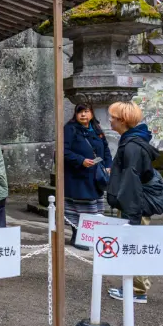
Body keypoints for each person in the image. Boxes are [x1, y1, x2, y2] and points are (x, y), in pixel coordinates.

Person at [106, 101, 159, 304]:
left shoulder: (131, 146)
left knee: (134, 243)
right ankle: (135, 287)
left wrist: (130, 211)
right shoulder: (133, 141)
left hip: (134, 204)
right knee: (135, 243)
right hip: (135, 202)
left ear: (122, 120)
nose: (109, 120)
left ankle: (136, 290)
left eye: (112, 117)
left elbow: (132, 180)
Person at [63, 103, 112, 249]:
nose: (83, 115)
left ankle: (89, 236)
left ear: (91, 113)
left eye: (86, 111)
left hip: (95, 176)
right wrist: (81, 160)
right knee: (79, 207)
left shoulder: (97, 129)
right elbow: (63, 151)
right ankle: (77, 237)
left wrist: (108, 165)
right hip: (77, 176)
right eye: (80, 112)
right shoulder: (70, 129)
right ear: (75, 114)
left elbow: (106, 149)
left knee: (93, 207)